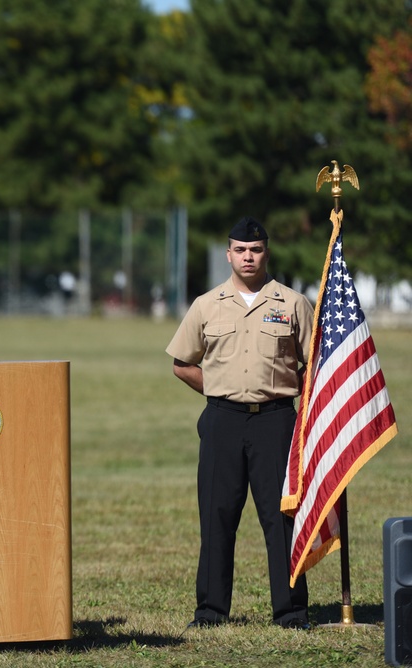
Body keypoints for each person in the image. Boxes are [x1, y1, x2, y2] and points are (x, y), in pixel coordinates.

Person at [165, 216, 313, 630]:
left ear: (266, 253)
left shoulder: (294, 303)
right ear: (229, 254)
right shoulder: (206, 305)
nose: (249, 257)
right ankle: (211, 612)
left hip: (277, 422)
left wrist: (285, 388)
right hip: (222, 421)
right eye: (241, 250)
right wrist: (218, 389)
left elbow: (316, 365)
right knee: (217, 516)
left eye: (256, 250)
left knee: (281, 518)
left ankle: (291, 612)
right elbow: (182, 364)